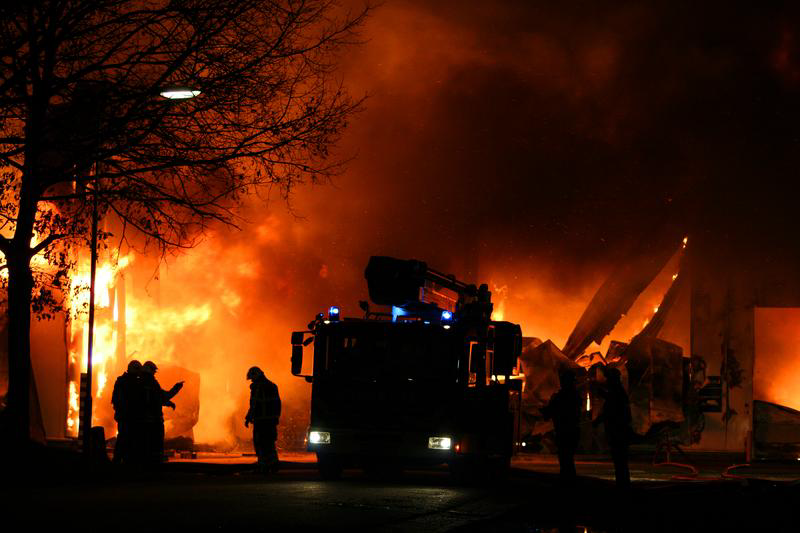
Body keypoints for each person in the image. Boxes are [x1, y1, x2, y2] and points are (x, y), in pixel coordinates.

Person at [541, 369, 581, 485]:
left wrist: (546, 410)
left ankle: (567, 482)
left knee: (565, 458)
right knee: (568, 458)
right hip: (571, 430)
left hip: (563, 431)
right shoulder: (575, 396)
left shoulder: (561, 397)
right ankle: (569, 481)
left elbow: (549, 412)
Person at [141, 360, 184, 465]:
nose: (154, 373)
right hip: (154, 420)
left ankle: (146, 462)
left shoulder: (138, 383)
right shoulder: (151, 383)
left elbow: (156, 398)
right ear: (149, 370)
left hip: (142, 420)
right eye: (153, 371)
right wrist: (176, 388)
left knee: (146, 443)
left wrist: (168, 403)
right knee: (156, 443)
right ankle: (155, 463)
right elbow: (163, 396)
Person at [596, 366, 632, 489]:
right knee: (620, 460)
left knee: (620, 460)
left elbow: (612, 409)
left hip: (617, 430)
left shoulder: (617, 393)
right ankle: (622, 484)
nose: (607, 381)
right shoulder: (618, 392)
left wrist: (599, 420)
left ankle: (622, 485)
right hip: (618, 430)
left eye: (608, 379)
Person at [245, 366, 281, 473]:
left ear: (256, 376)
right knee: (269, 444)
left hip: (260, 422)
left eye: (252, 378)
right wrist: (276, 418)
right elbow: (277, 404)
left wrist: (248, 417)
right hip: (270, 422)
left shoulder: (257, 388)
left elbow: (254, 405)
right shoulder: (272, 386)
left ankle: (263, 466)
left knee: (260, 444)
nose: (252, 380)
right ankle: (273, 465)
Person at [111, 360, 143, 464]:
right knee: (124, 438)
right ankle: (119, 460)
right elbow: (117, 400)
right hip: (126, 417)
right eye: (138, 370)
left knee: (126, 439)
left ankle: (124, 460)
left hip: (129, 417)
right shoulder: (124, 382)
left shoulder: (128, 382)